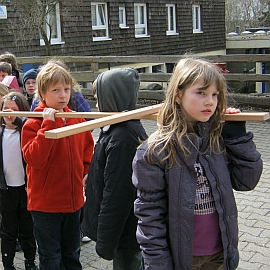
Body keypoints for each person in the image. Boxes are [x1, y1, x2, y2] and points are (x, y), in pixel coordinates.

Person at [132, 57, 263, 270]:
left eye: (215, 95)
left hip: (220, 254)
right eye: (201, 93)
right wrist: (158, 264)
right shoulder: (154, 151)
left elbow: (246, 181)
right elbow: (149, 216)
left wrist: (237, 136)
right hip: (182, 259)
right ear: (178, 95)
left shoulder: (217, 140)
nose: (210, 101)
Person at [21, 60, 94, 270]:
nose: (63, 95)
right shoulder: (33, 124)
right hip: (45, 205)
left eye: (67, 89)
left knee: (72, 254)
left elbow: (87, 151)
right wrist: (48, 125)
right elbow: (34, 159)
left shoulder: (76, 120)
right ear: (43, 93)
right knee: (50, 257)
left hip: (73, 202)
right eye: (56, 90)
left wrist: (87, 172)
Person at [81, 68, 147, 270]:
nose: (97, 105)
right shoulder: (117, 128)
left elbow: (117, 195)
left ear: (114, 98)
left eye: (99, 99)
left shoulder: (123, 137)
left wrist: (106, 242)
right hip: (125, 232)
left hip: (125, 233)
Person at [0, 92, 38, 270]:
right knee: (8, 231)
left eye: (14, 110)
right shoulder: (1, 133)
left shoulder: (26, 132)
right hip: (5, 190)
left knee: (27, 229)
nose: (8, 113)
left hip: (25, 189)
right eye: (5, 109)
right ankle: (8, 264)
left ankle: (30, 261)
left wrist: (22, 122)